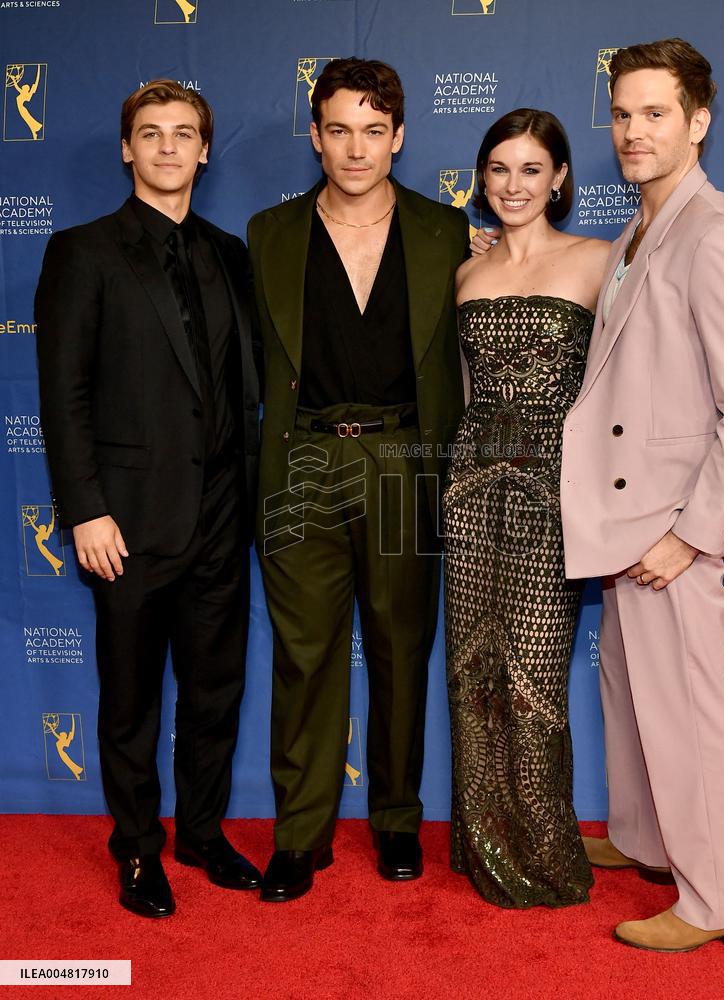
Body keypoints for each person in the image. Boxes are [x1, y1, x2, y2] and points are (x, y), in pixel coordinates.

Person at [560, 39, 724, 951]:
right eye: (622, 114)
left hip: (668, 524)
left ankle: (722, 897)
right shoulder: (643, 226)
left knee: (688, 706)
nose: (633, 132)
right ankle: (647, 840)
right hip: (628, 514)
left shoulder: (713, 230)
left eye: (655, 113)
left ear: (699, 122)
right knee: (631, 690)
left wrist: (690, 536)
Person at [35, 80, 263, 918]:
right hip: (124, 524)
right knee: (130, 703)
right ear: (128, 149)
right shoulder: (82, 251)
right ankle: (137, 851)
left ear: (206, 151)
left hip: (222, 518)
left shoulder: (231, 253)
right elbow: (64, 396)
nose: (168, 147)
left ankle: (201, 833)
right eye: (150, 133)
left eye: (184, 134)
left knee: (215, 692)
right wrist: (84, 509)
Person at [248, 58, 472, 902]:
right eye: (338, 129)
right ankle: (300, 836)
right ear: (315, 135)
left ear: (400, 137)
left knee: (400, 650)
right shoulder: (267, 234)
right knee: (304, 659)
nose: (355, 148)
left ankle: (397, 821)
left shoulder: (447, 230)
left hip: (404, 460)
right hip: (302, 458)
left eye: (373, 131)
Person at [443, 109, 610, 907]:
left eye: (531, 170)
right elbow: (466, 393)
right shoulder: (464, 272)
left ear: (560, 179)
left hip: (555, 485)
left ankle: (544, 848)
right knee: (473, 668)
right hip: (472, 483)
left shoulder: (600, 262)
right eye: (499, 169)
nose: (513, 185)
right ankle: (483, 842)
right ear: (483, 178)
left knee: (535, 672)